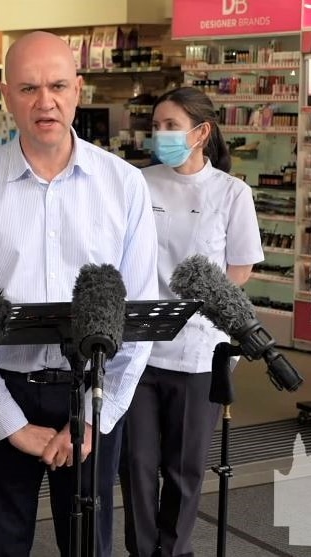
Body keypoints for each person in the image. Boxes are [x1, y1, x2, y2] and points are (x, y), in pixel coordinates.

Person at [0, 31, 159, 557]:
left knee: (88, 546)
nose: (45, 101)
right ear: (6, 94)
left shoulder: (124, 185)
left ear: (78, 89)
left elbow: (137, 318)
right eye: (29, 88)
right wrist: (10, 426)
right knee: (1, 545)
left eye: (58, 85)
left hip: (93, 393)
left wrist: (93, 419)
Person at [119, 86, 264, 557]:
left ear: (201, 132)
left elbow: (239, 270)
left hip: (199, 351)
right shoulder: (137, 183)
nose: (159, 135)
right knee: (137, 464)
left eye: (170, 126)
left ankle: (174, 551)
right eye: (156, 126)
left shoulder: (231, 193)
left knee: (183, 468)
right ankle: (143, 551)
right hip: (139, 348)